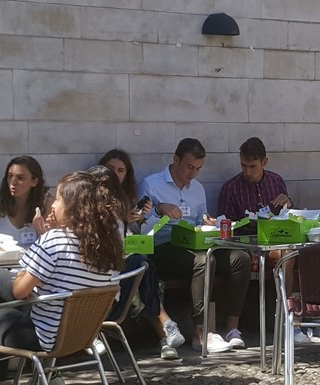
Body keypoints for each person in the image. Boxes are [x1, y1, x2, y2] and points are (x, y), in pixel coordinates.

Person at [0, 171, 128, 385]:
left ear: (72, 207)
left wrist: (45, 236)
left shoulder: (55, 240)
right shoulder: (108, 242)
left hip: (45, 338)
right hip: (81, 337)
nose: (52, 204)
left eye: (57, 199)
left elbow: (18, 290)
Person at [142, 138, 250, 356]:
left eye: (198, 169)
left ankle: (232, 328)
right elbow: (139, 225)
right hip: (162, 246)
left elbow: (200, 221)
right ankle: (202, 332)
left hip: (193, 244)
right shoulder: (151, 184)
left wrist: (208, 224)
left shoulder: (197, 189)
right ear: (176, 160)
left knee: (241, 258)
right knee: (204, 261)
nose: (192, 174)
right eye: (189, 167)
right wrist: (160, 209)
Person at [99, 148, 182, 360]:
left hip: (127, 259)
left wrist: (138, 220)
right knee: (142, 269)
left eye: (121, 170)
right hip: (104, 264)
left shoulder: (126, 199)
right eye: (110, 169)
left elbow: (138, 236)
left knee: (142, 267)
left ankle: (165, 335)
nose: (115, 174)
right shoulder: (91, 199)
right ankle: (165, 330)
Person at [0, 156, 48, 249]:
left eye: (20, 178)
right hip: (0, 261)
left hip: (33, 261)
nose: (13, 182)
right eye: (10, 176)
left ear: (34, 181)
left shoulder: (45, 203)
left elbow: (52, 242)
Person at [216, 137, 292, 218]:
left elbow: (289, 217)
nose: (248, 172)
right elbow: (224, 224)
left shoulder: (276, 182)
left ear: (264, 162)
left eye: (253, 166)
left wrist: (288, 206)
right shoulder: (231, 189)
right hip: (243, 230)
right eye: (243, 165)